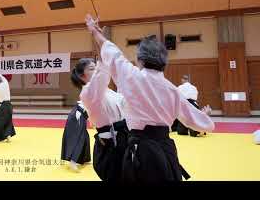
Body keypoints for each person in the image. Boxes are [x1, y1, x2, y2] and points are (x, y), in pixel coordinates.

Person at [85, 14, 214, 183]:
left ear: (140, 60)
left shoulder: (132, 77)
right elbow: (203, 124)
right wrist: (204, 117)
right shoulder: (173, 90)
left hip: (142, 152)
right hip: (166, 151)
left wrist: (95, 31)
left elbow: (110, 50)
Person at [79, 59, 129, 182]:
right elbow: (102, 77)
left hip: (125, 139)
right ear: (82, 76)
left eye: (96, 67)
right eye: (92, 69)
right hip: (110, 145)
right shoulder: (88, 93)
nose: (96, 70)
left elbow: (126, 104)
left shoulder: (111, 92)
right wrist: (105, 57)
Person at [61, 59, 92, 172]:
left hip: (80, 114)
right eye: (91, 68)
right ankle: (73, 162)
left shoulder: (91, 86)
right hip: (77, 115)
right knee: (79, 138)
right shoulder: (89, 86)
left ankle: (85, 158)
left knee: (85, 137)